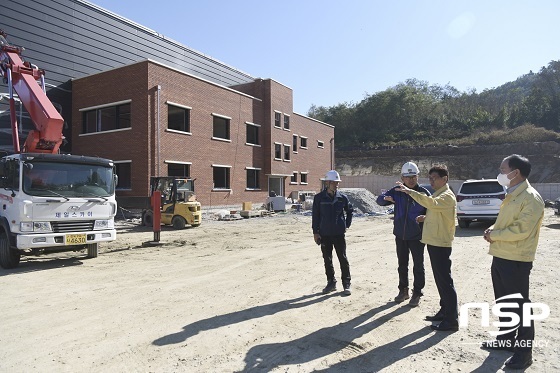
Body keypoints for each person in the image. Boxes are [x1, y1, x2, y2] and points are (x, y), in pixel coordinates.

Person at [481, 154, 545, 370]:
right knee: (505, 302)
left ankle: (524, 353)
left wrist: (495, 234)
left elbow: (521, 230)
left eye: (502, 169)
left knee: (520, 306)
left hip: (516, 259)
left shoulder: (530, 198)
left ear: (515, 172)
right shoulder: (513, 194)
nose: (500, 173)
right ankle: (506, 340)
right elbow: (507, 223)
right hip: (501, 255)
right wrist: (493, 230)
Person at [396, 164, 459, 331]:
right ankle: (444, 310)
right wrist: (427, 217)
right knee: (440, 280)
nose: (430, 181)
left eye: (434, 178)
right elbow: (437, 211)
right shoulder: (440, 194)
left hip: (440, 243)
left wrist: (410, 192)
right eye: (429, 178)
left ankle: (451, 320)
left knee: (445, 281)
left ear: (444, 179)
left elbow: (432, 203)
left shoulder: (446, 196)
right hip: (434, 241)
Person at [376, 161, 431, 307]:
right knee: (402, 264)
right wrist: (385, 199)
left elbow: (432, 210)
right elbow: (379, 200)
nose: (411, 179)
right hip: (400, 234)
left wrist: (427, 217)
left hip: (417, 235)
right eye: (408, 177)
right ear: (402, 177)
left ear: (418, 176)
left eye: (414, 176)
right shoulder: (397, 191)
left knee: (418, 265)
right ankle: (403, 290)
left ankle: (417, 293)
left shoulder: (423, 193)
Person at [312, 170, 353, 295]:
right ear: (328, 183)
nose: (337, 185)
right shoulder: (319, 198)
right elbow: (315, 216)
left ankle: (346, 284)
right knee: (327, 259)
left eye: (337, 182)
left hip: (339, 234)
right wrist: (315, 232)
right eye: (335, 182)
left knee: (343, 258)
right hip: (324, 234)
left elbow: (350, 211)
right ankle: (331, 283)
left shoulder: (342, 198)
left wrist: (346, 225)